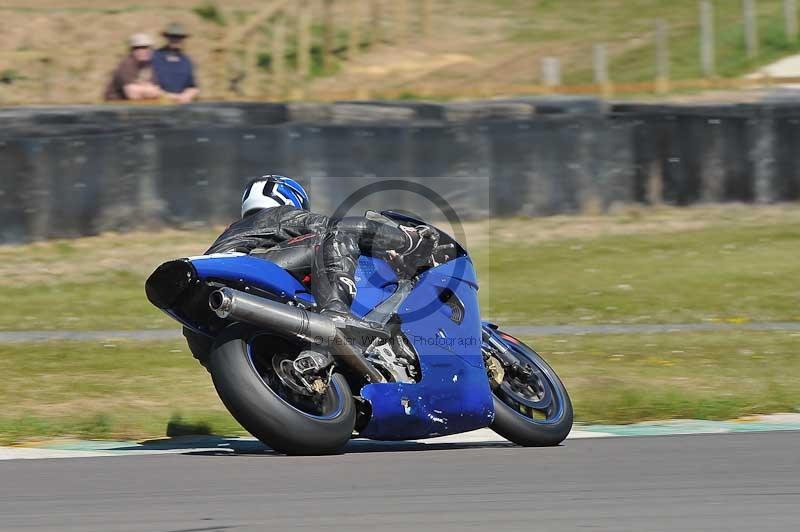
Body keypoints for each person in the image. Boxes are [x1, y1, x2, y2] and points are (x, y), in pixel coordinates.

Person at [206, 175, 439, 330]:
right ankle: (337, 311)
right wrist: (406, 239)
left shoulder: (237, 231)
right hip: (245, 273)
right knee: (335, 236)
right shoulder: (275, 215)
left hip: (210, 309)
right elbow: (336, 227)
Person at [103, 33, 163, 101]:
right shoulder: (126, 65)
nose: (143, 51)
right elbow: (133, 95)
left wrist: (141, 89)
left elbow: (157, 91)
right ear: (132, 50)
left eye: (146, 48)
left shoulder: (149, 66)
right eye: (138, 48)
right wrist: (147, 89)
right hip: (115, 104)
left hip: (138, 105)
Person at [151, 23, 199, 104]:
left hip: (181, 105)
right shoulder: (154, 57)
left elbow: (192, 86)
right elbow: (147, 83)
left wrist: (187, 95)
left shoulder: (187, 61)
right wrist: (167, 96)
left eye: (179, 37)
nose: (176, 40)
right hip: (157, 104)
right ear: (167, 38)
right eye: (173, 37)